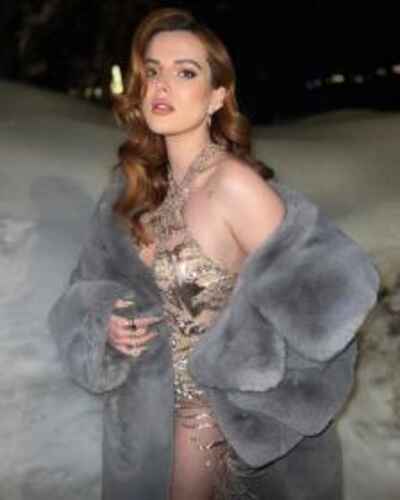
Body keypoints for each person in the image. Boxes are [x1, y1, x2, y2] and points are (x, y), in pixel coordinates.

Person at [48, 7, 380, 500]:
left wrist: (245, 404)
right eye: (153, 72)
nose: (162, 86)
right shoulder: (130, 189)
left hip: (208, 431)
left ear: (217, 96)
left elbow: (331, 308)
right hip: (139, 432)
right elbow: (80, 291)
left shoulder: (234, 187)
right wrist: (105, 322)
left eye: (186, 72)